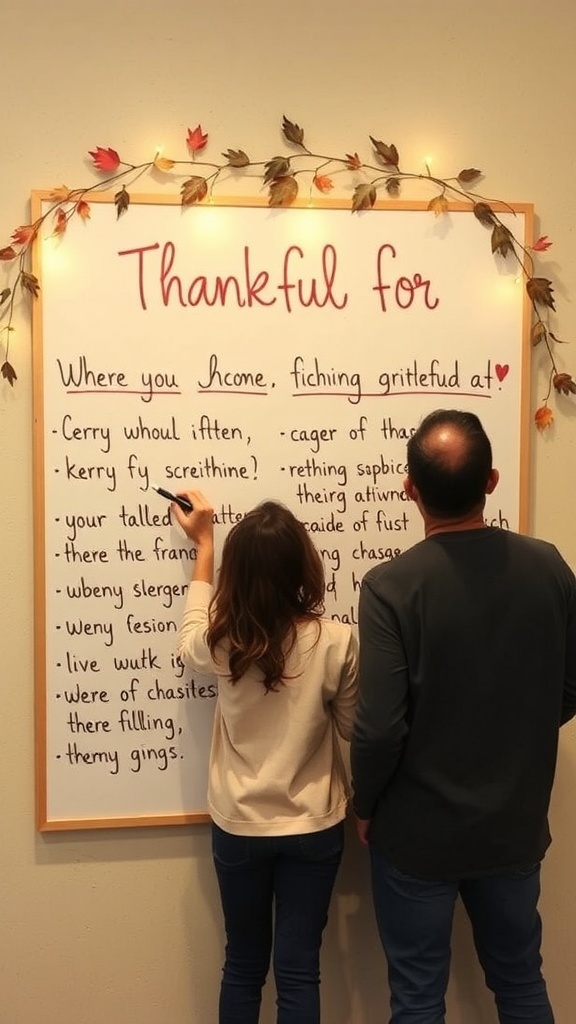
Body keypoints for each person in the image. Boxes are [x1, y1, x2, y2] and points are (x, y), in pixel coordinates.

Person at [350, 409, 576, 1024]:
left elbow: (379, 726)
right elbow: (572, 684)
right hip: (512, 826)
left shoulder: (390, 587)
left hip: (416, 834)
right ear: (492, 481)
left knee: (418, 997)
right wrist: (520, 727)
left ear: (409, 489)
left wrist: (365, 803)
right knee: (521, 982)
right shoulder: (548, 567)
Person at [172, 489, 358, 1024]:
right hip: (314, 825)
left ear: (237, 574)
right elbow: (353, 730)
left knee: (243, 964)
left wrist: (205, 547)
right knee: (299, 971)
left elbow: (189, 636)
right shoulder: (338, 641)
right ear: (303, 565)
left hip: (239, 825)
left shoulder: (222, 641)